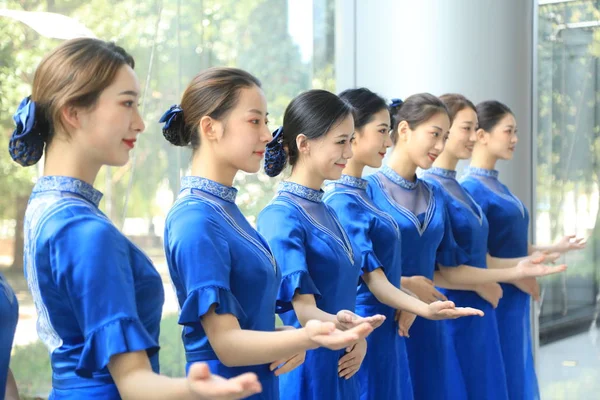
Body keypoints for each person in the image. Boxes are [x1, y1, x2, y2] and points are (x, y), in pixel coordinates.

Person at [10, 38, 264, 400]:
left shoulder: (46, 206)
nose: (142, 123)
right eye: (127, 103)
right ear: (73, 112)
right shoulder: (83, 229)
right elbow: (134, 384)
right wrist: (200, 388)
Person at [162, 69, 374, 400]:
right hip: (226, 389)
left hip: (259, 382)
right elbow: (226, 345)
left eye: (266, 121)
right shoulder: (195, 219)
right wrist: (308, 336)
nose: (267, 135)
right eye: (254, 121)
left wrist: (288, 333)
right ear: (210, 128)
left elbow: (246, 323)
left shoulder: (224, 211)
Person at [323, 88, 489, 400]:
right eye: (382, 131)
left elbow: (442, 265)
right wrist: (407, 293)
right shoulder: (347, 197)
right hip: (375, 319)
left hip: (410, 314)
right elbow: (353, 277)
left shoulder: (364, 195)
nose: (441, 146)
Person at [422, 93, 566, 400]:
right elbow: (439, 266)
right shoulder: (435, 188)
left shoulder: (459, 187)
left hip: (487, 297)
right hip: (462, 302)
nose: (474, 136)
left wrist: (529, 263)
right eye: (466, 128)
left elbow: (485, 252)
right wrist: (510, 273)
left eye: (475, 128)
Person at [257, 89, 383, 400]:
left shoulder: (327, 209)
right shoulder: (280, 216)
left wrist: (356, 335)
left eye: (351, 141)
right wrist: (357, 331)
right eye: (341, 141)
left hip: (341, 363)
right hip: (307, 369)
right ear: (303, 144)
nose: (349, 153)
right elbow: (304, 313)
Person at [462, 100, 585, 400]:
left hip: (516, 293)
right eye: (509, 131)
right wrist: (520, 274)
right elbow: (480, 254)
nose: (515, 138)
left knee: (516, 369)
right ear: (482, 135)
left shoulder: (497, 187)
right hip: (498, 294)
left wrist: (550, 249)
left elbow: (511, 242)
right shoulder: (470, 189)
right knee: (502, 373)